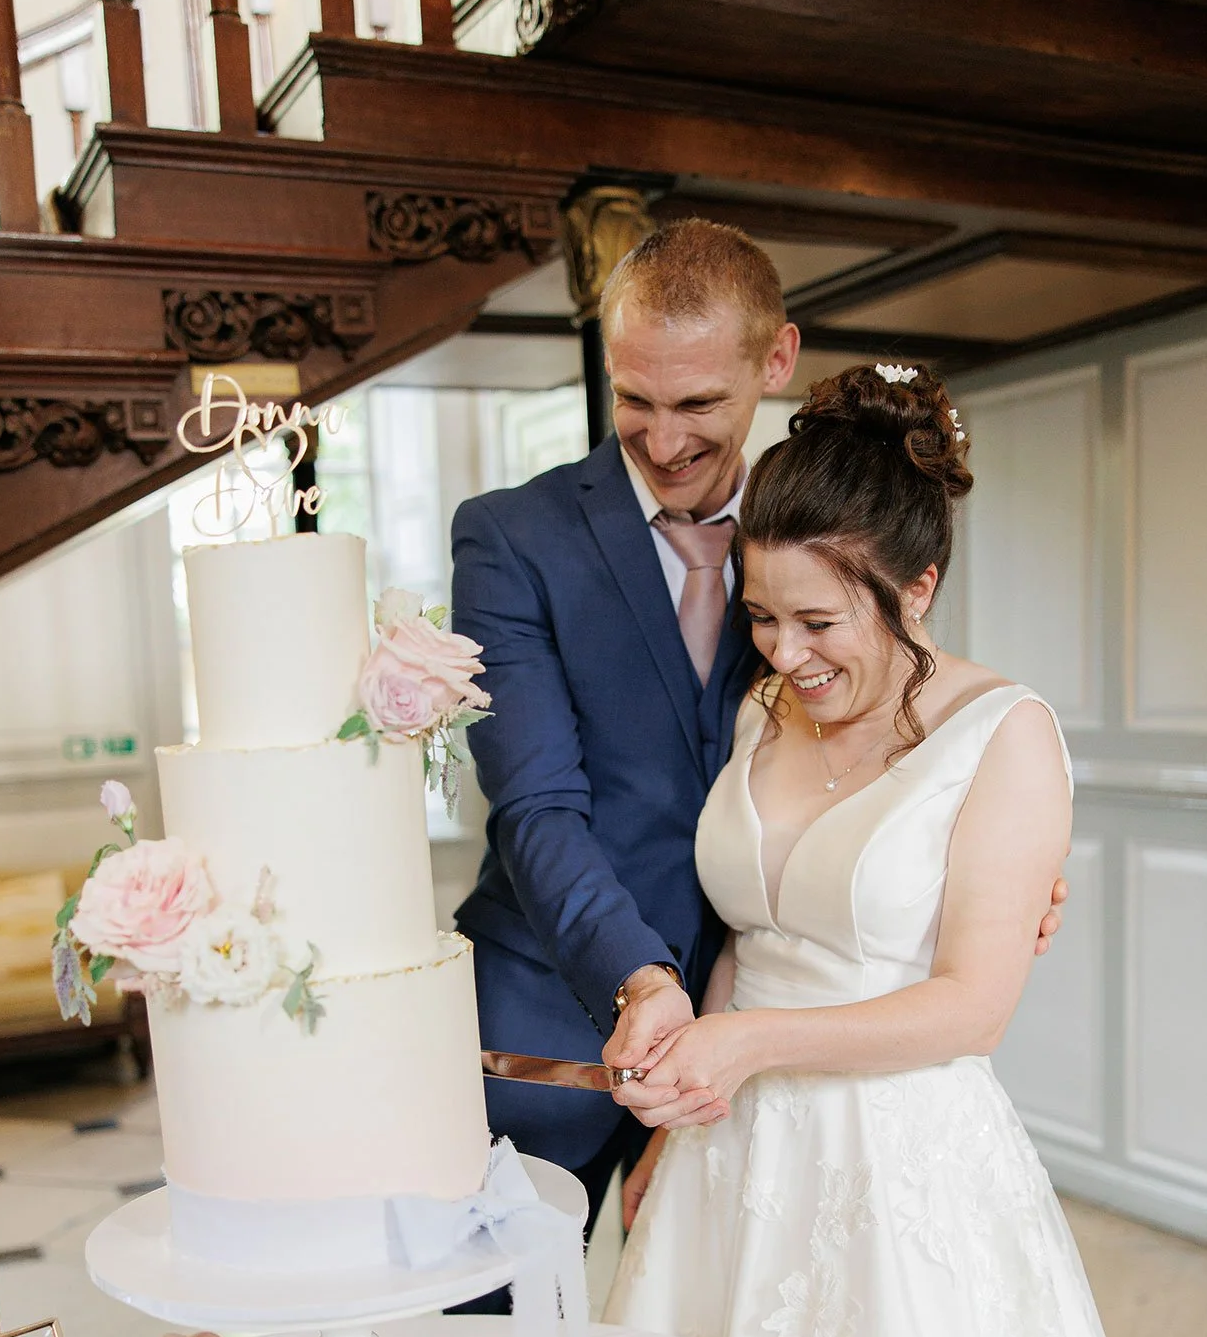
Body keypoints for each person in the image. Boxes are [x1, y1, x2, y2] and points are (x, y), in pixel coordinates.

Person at [603, 363, 1207, 1337]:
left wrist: (755, 1044)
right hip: (737, 1172)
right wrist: (689, 1039)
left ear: (916, 586)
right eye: (763, 618)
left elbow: (969, 1008)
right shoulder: (757, 709)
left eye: (824, 622)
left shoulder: (1006, 737)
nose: (786, 656)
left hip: (904, 1174)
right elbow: (751, 931)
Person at [452, 218, 1066, 1246]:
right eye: (634, 399)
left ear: (775, 358)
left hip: (767, 1035)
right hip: (555, 1013)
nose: (663, 438)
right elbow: (537, 804)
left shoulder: (821, 515)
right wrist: (643, 981)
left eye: (698, 402)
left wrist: (991, 868)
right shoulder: (513, 536)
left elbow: (887, 724)